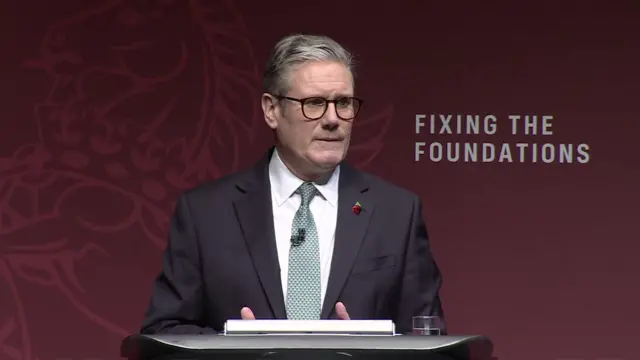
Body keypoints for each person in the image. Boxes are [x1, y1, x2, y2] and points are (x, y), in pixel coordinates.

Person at [140, 34, 445, 335]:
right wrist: (235, 350)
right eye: (313, 103)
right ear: (272, 110)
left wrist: (370, 352)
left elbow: (428, 338)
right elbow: (165, 331)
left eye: (344, 103)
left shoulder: (396, 213)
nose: (332, 119)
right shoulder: (206, 213)